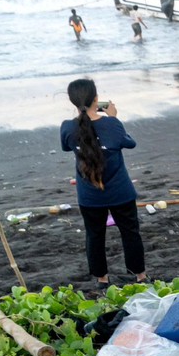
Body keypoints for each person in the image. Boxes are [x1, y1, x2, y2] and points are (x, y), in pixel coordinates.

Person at [60, 79, 147, 288]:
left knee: (95, 235)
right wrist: (113, 117)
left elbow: (66, 146)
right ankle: (140, 276)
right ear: (96, 99)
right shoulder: (111, 124)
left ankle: (102, 279)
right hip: (120, 191)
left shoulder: (68, 127)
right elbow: (129, 142)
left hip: (89, 195)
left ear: (73, 102)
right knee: (130, 233)